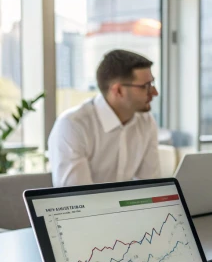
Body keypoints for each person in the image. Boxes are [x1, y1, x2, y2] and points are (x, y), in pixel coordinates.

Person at [49, 49, 161, 187]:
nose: (155, 93)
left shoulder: (146, 122)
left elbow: (150, 187)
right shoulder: (73, 125)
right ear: (118, 90)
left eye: (153, 84)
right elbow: (77, 198)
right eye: (146, 86)